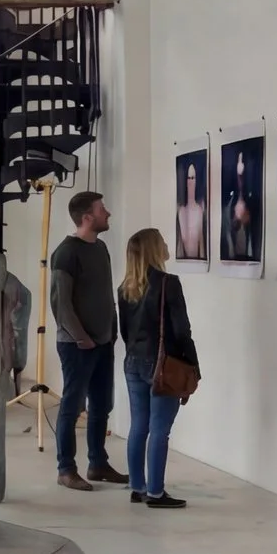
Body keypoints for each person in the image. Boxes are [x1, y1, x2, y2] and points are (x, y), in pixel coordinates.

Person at [47, 190, 125, 493]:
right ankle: (66, 469)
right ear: (87, 217)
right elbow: (60, 304)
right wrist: (81, 338)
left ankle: (98, 463)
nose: (108, 213)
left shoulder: (101, 248)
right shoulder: (66, 253)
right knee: (72, 405)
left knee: (102, 405)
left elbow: (106, 294)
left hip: (103, 342)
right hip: (77, 345)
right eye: (102, 209)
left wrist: (111, 331)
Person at [117, 227, 197, 510]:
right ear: (154, 249)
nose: (166, 244)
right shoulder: (168, 283)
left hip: (133, 362)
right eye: (161, 241)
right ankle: (156, 492)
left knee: (139, 426)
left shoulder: (125, 287)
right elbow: (181, 330)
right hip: (161, 364)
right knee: (160, 430)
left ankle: (138, 488)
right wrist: (193, 365)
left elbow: (125, 331)